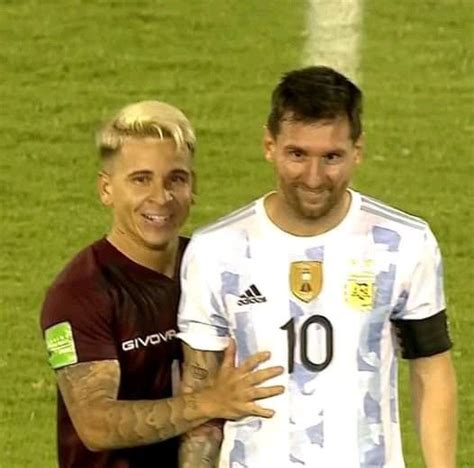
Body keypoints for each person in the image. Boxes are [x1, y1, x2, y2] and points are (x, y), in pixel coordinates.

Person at [177, 67, 458, 467]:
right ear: (269, 145)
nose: (313, 177)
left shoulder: (404, 243)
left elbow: (432, 371)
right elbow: (199, 397)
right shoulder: (216, 251)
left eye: (331, 157)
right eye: (297, 154)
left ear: (357, 151)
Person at [40, 100, 284, 468]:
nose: (161, 197)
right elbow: (95, 424)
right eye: (141, 179)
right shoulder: (80, 293)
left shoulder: (217, 269)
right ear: (106, 189)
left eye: (176, 179)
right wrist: (208, 402)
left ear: (193, 185)